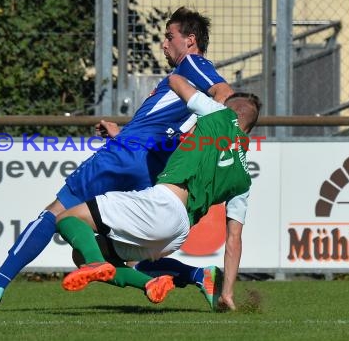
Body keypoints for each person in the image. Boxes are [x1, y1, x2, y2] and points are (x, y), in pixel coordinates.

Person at [0, 7, 234, 311]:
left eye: (170, 37)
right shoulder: (179, 78)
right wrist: (122, 132)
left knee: (53, 215)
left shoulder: (193, 63)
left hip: (124, 157)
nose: (164, 44)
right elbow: (160, 125)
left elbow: (224, 93)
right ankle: (195, 275)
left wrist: (198, 131)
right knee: (114, 254)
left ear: (190, 40)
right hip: (149, 165)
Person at [55, 74, 261, 310]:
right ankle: (150, 283)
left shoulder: (216, 113)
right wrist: (227, 294)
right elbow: (234, 240)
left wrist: (204, 81)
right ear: (248, 131)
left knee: (67, 218)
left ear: (225, 108)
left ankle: (95, 264)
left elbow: (175, 81)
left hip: (162, 204)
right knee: (80, 256)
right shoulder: (243, 179)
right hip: (177, 234)